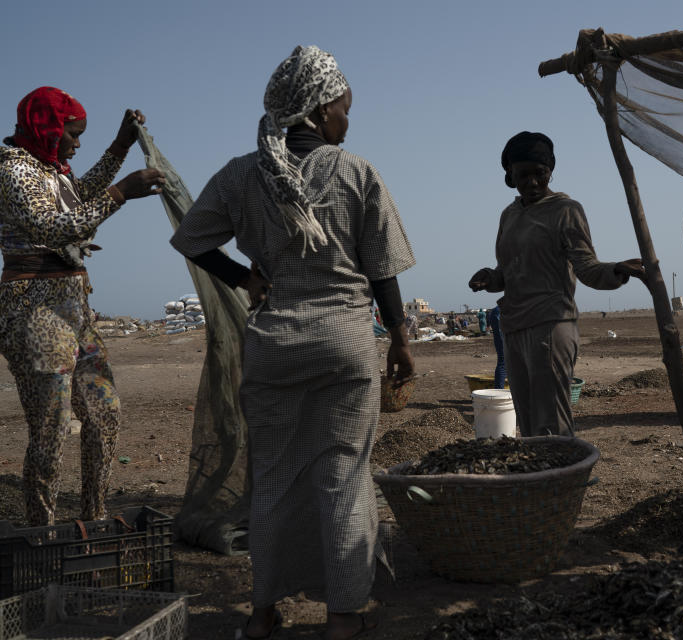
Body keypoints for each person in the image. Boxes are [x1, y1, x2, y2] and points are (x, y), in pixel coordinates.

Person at [169, 47, 415, 640]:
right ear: (320, 109)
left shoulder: (238, 174)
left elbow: (191, 240)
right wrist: (402, 339)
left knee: (272, 479)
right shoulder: (356, 171)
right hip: (343, 344)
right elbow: (382, 270)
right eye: (344, 109)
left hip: (273, 345)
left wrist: (246, 278)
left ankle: (260, 615)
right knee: (344, 474)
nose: (348, 121)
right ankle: (344, 614)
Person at [0, 87, 164, 526]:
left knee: (104, 413)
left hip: (74, 311)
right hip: (34, 311)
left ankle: (93, 520)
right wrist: (122, 193)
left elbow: (82, 192)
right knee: (52, 430)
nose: (76, 143)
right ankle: (43, 532)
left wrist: (121, 145)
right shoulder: (14, 170)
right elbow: (51, 226)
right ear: (47, 129)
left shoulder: (51, 169)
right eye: (72, 134)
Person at [469, 131, 645, 437]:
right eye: (524, 175)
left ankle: (563, 482)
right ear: (510, 175)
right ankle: (538, 482)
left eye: (541, 174)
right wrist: (490, 277)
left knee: (552, 422)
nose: (533, 182)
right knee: (526, 421)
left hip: (550, 325)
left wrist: (616, 270)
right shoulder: (508, 215)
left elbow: (587, 268)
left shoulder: (566, 211)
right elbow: (508, 271)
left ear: (551, 171)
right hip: (514, 327)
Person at [486, 305, 507, 389]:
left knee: (503, 360)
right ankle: (499, 391)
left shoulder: (495, 311)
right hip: (507, 312)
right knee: (504, 361)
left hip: (501, 311)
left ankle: (499, 390)